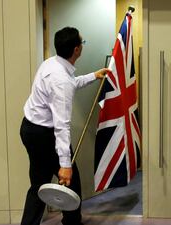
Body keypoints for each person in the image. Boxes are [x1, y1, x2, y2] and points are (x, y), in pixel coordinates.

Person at [19, 27, 110, 225]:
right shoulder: (60, 80)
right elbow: (61, 126)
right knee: (71, 181)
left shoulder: (52, 63)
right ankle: (72, 223)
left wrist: (93, 76)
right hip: (44, 135)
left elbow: (71, 83)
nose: (82, 46)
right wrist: (65, 165)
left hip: (29, 129)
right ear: (76, 50)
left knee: (38, 183)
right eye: (82, 43)